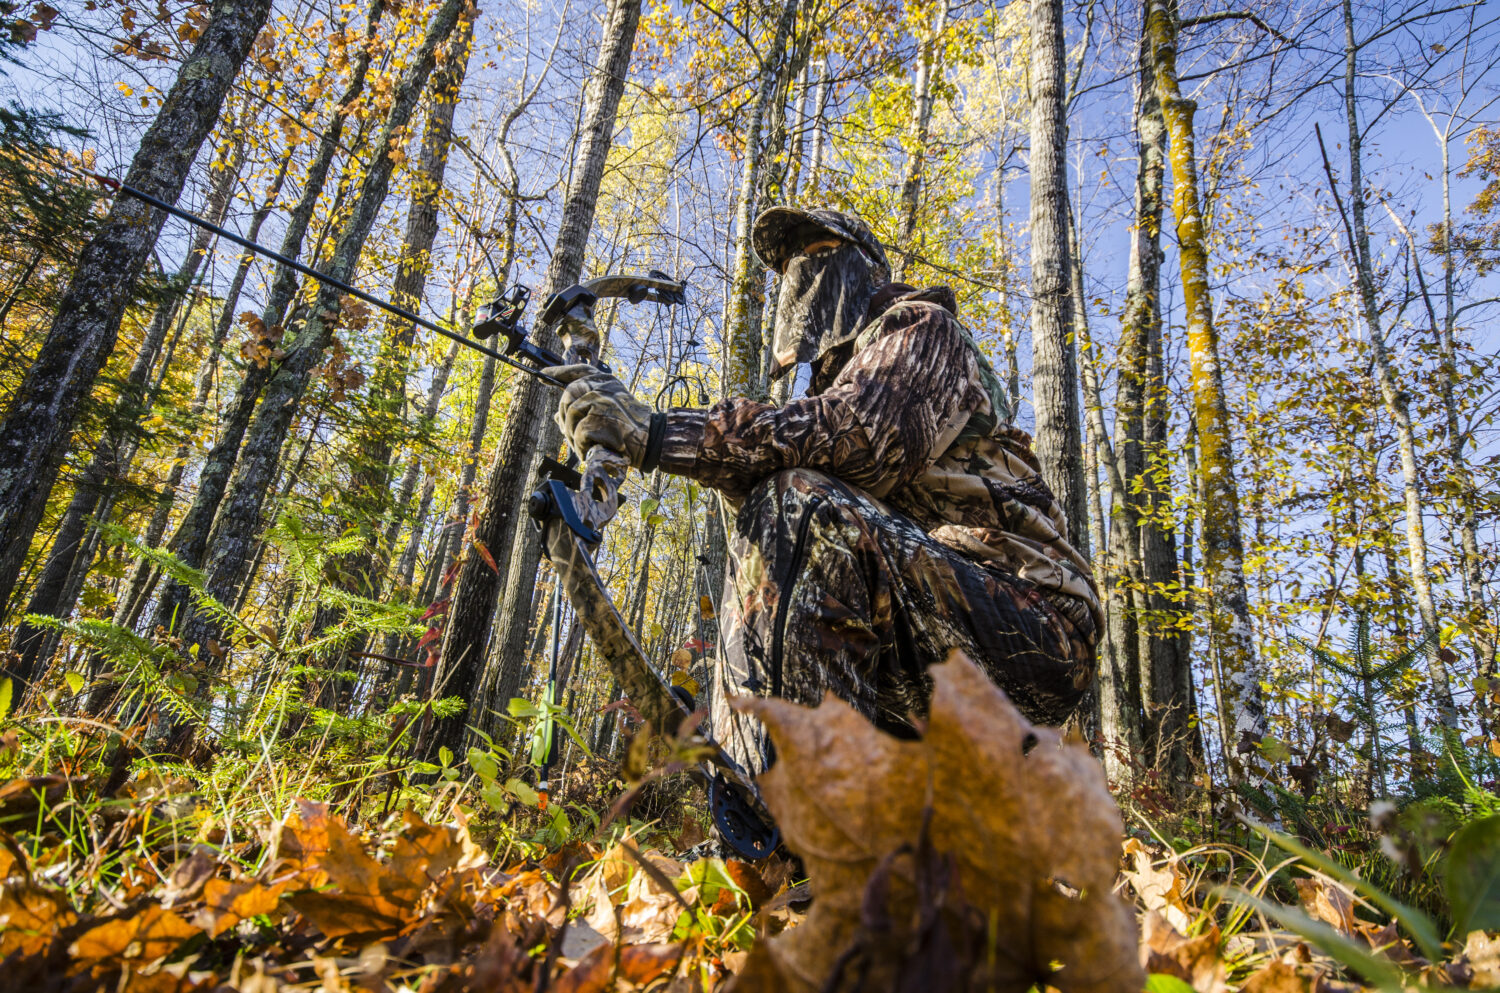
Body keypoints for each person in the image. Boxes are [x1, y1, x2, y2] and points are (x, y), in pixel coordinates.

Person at [547, 206, 1100, 775]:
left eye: (817, 254)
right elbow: (792, 481)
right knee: (777, 531)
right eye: (789, 265)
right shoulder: (827, 393)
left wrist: (657, 432)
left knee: (799, 502)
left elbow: (856, 435)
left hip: (1033, 625)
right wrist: (625, 427)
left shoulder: (921, 328)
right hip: (923, 629)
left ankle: (789, 817)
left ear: (862, 269)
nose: (800, 273)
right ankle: (785, 831)